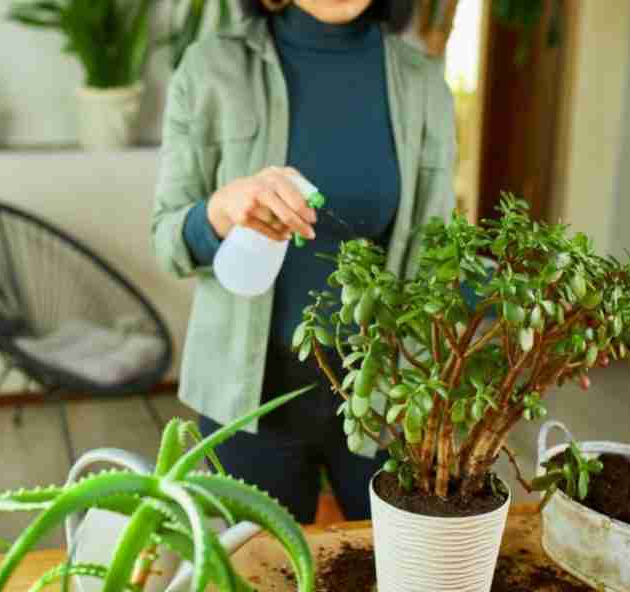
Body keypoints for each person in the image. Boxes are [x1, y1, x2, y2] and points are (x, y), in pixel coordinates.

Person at [151, 0, 456, 523]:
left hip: (385, 391)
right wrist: (220, 212)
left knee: (398, 581)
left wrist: (552, 320)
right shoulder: (211, 70)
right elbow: (168, 242)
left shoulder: (423, 84)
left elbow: (439, 255)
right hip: (249, 398)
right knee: (260, 584)